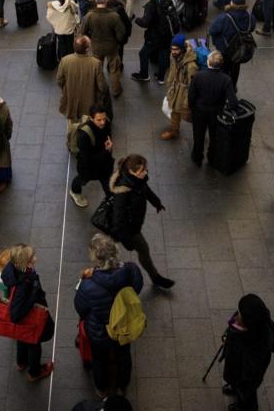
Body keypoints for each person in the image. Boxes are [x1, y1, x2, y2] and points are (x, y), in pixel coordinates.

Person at [74, 234, 145, 398]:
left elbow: (81, 309)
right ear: (116, 252)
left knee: (98, 360)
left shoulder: (88, 285)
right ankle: (123, 384)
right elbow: (137, 289)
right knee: (124, 355)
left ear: (96, 258)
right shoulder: (131, 270)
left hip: (100, 332)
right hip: (123, 327)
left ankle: (101, 388)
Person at [108, 154, 174, 288]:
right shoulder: (123, 192)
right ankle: (155, 277)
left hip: (133, 225)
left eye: (145, 169)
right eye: (142, 171)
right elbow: (118, 222)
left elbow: (146, 190)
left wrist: (157, 203)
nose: (145, 172)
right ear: (132, 171)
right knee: (142, 249)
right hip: (128, 229)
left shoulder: (136, 180)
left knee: (137, 250)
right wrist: (127, 241)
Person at [0, 244, 55, 382]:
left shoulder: (14, 271)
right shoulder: (24, 283)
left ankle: (21, 362)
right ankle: (34, 373)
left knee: (21, 338)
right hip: (30, 321)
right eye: (31, 258)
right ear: (24, 262)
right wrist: (34, 295)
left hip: (23, 324)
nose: (35, 259)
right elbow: (16, 315)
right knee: (34, 344)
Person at [221, 293, 274, 411]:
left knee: (247, 394)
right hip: (235, 366)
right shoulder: (250, 325)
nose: (237, 316)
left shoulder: (258, 345)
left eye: (240, 314)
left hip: (245, 377)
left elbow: (250, 371)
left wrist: (242, 383)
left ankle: (245, 407)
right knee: (237, 384)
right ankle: (235, 387)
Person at [188, 51, 237, 166]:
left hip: (199, 112)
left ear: (208, 62)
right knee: (214, 137)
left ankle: (197, 157)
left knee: (198, 136)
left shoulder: (198, 76)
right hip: (216, 112)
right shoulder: (226, 79)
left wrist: (192, 107)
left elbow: (191, 96)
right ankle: (212, 157)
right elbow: (233, 101)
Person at [57, 34, 108, 137]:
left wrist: (66, 89)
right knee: (88, 126)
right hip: (89, 101)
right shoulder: (95, 63)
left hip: (71, 100)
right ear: (87, 49)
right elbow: (102, 86)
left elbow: (59, 79)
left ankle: (72, 141)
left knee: (72, 125)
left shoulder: (65, 60)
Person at [79, 0, 127, 98]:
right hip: (112, 47)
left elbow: (82, 32)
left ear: (96, 1)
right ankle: (116, 90)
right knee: (114, 70)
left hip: (96, 47)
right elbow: (121, 34)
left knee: (97, 69)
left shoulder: (89, 16)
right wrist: (117, 42)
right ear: (106, 1)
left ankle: (100, 89)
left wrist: (89, 41)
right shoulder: (114, 16)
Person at [132, 0, 178, 82]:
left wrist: (136, 19)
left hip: (155, 36)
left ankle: (144, 75)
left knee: (143, 54)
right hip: (167, 34)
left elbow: (145, 23)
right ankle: (161, 77)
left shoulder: (151, 5)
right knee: (163, 53)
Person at [68, 106, 114, 208]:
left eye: (104, 118)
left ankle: (112, 201)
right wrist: (107, 151)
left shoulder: (106, 123)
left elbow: (108, 134)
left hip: (103, 163)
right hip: (88, 166)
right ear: (92, 119)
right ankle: (74, 192)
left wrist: (108, 142)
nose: (103, 122)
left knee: (107, 183)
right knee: (81, 179)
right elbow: (86, 159)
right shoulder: (84, 135)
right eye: (99, 120)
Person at [209, 0, 254, 86]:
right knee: (236, 67)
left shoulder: (225, 18)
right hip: (240, 49)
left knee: (224, 67)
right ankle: (233, 85)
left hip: (225, 48)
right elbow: (251, 28)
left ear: (232, 4)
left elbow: (212, 30)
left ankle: (224, 86)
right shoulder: (250, 17)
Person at [160, 35, 198, 141]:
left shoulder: (191, 66)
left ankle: (176, 131)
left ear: (182, 49)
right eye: (172, 49)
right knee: (174, 110)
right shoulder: (173, 56)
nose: (173, 51)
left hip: (184, 91)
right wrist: (169, 84)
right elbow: (172, 70)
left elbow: (192, 85)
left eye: (176, 49)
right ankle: (174, 130)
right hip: (175, 88)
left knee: (182, 112)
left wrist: (187, 101)